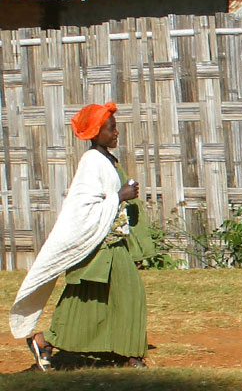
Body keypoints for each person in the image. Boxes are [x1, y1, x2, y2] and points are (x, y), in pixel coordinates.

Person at [10, 102, 155, 370]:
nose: (116, 133)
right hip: (100, 246)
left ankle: (120, 352)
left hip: (112, 242)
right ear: (96, 132)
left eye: (116, 128)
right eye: (111, 129)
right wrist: (119, 196)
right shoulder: (91, 162)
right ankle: (127, 355)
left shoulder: (108, 160)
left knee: (102, 298)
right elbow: (83, 206)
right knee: (108, 296)